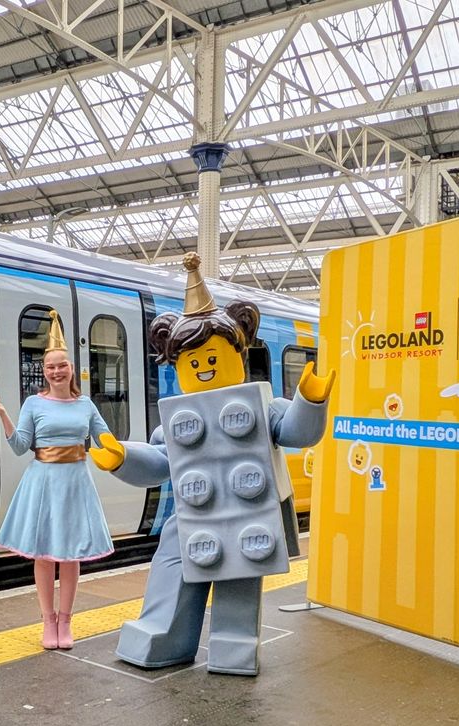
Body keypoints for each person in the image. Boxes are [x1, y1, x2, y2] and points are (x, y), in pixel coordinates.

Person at [90, 252, 336, 675]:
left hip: (248, 517)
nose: (203, 368)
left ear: (238, 355)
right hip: (190, 519)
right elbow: (160, 462)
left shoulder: (264, 407)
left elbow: (297, 432)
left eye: (212, 358)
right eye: (193, 362)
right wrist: (123, 458)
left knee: (238, 581)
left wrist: (309, 400)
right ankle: (161, 635)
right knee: (170, 575)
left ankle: (232, 645)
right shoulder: (177, 421)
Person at [0, 310, 115, 650]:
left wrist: (126, 456)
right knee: (43, 555)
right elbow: (20, 446)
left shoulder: (85, 404)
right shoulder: (33, 404)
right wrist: (4, 415)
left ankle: (66, 621)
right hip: (42, 482)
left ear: (72, 368)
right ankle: (48, 621)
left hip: (75, 483)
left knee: (70, 556)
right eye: (51, 367)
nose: (57, 371)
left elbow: (106, 440)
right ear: (44, 371)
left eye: (62, 365)